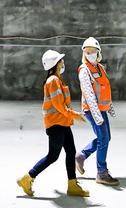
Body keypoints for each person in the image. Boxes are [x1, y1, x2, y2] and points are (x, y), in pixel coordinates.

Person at [17, 50, 91, 198]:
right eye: (61, 60)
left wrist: (72, 116)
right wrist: (75, 115)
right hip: (56, 125)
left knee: (71, 152)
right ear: (56, 64)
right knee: (53, 156)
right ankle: (27, 178)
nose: (63, 63)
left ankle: (72, 185)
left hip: (62, 123)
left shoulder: (56, 80)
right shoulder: (53, 81)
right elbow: (59, 106)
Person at [75, 36, 119, 186]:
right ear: (84, 54)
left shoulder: (100, 68)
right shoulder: (84, 71)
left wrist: (110, 108)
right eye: (87, 51)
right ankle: (101, 172)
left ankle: (82, 155)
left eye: (93, 51)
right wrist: (97, 115)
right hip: (92, 110)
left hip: (101, 109)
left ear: (98, 52)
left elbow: (104, 89)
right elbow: (89, 94)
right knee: (103, 139)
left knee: (105, 138)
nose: (90, 54)